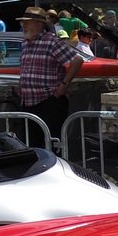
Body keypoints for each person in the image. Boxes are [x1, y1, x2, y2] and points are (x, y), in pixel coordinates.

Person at [15, 7, 82, 139]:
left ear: (39, 24)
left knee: (51, 143)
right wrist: (20, 84)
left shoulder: (52, 42)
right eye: (23, 23)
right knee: (32, 144)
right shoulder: (25, 43)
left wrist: (64, 84)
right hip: (28, 102)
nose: (23, 26)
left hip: (50, 101)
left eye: (27, 22)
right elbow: (26, 67)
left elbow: (77, 61)